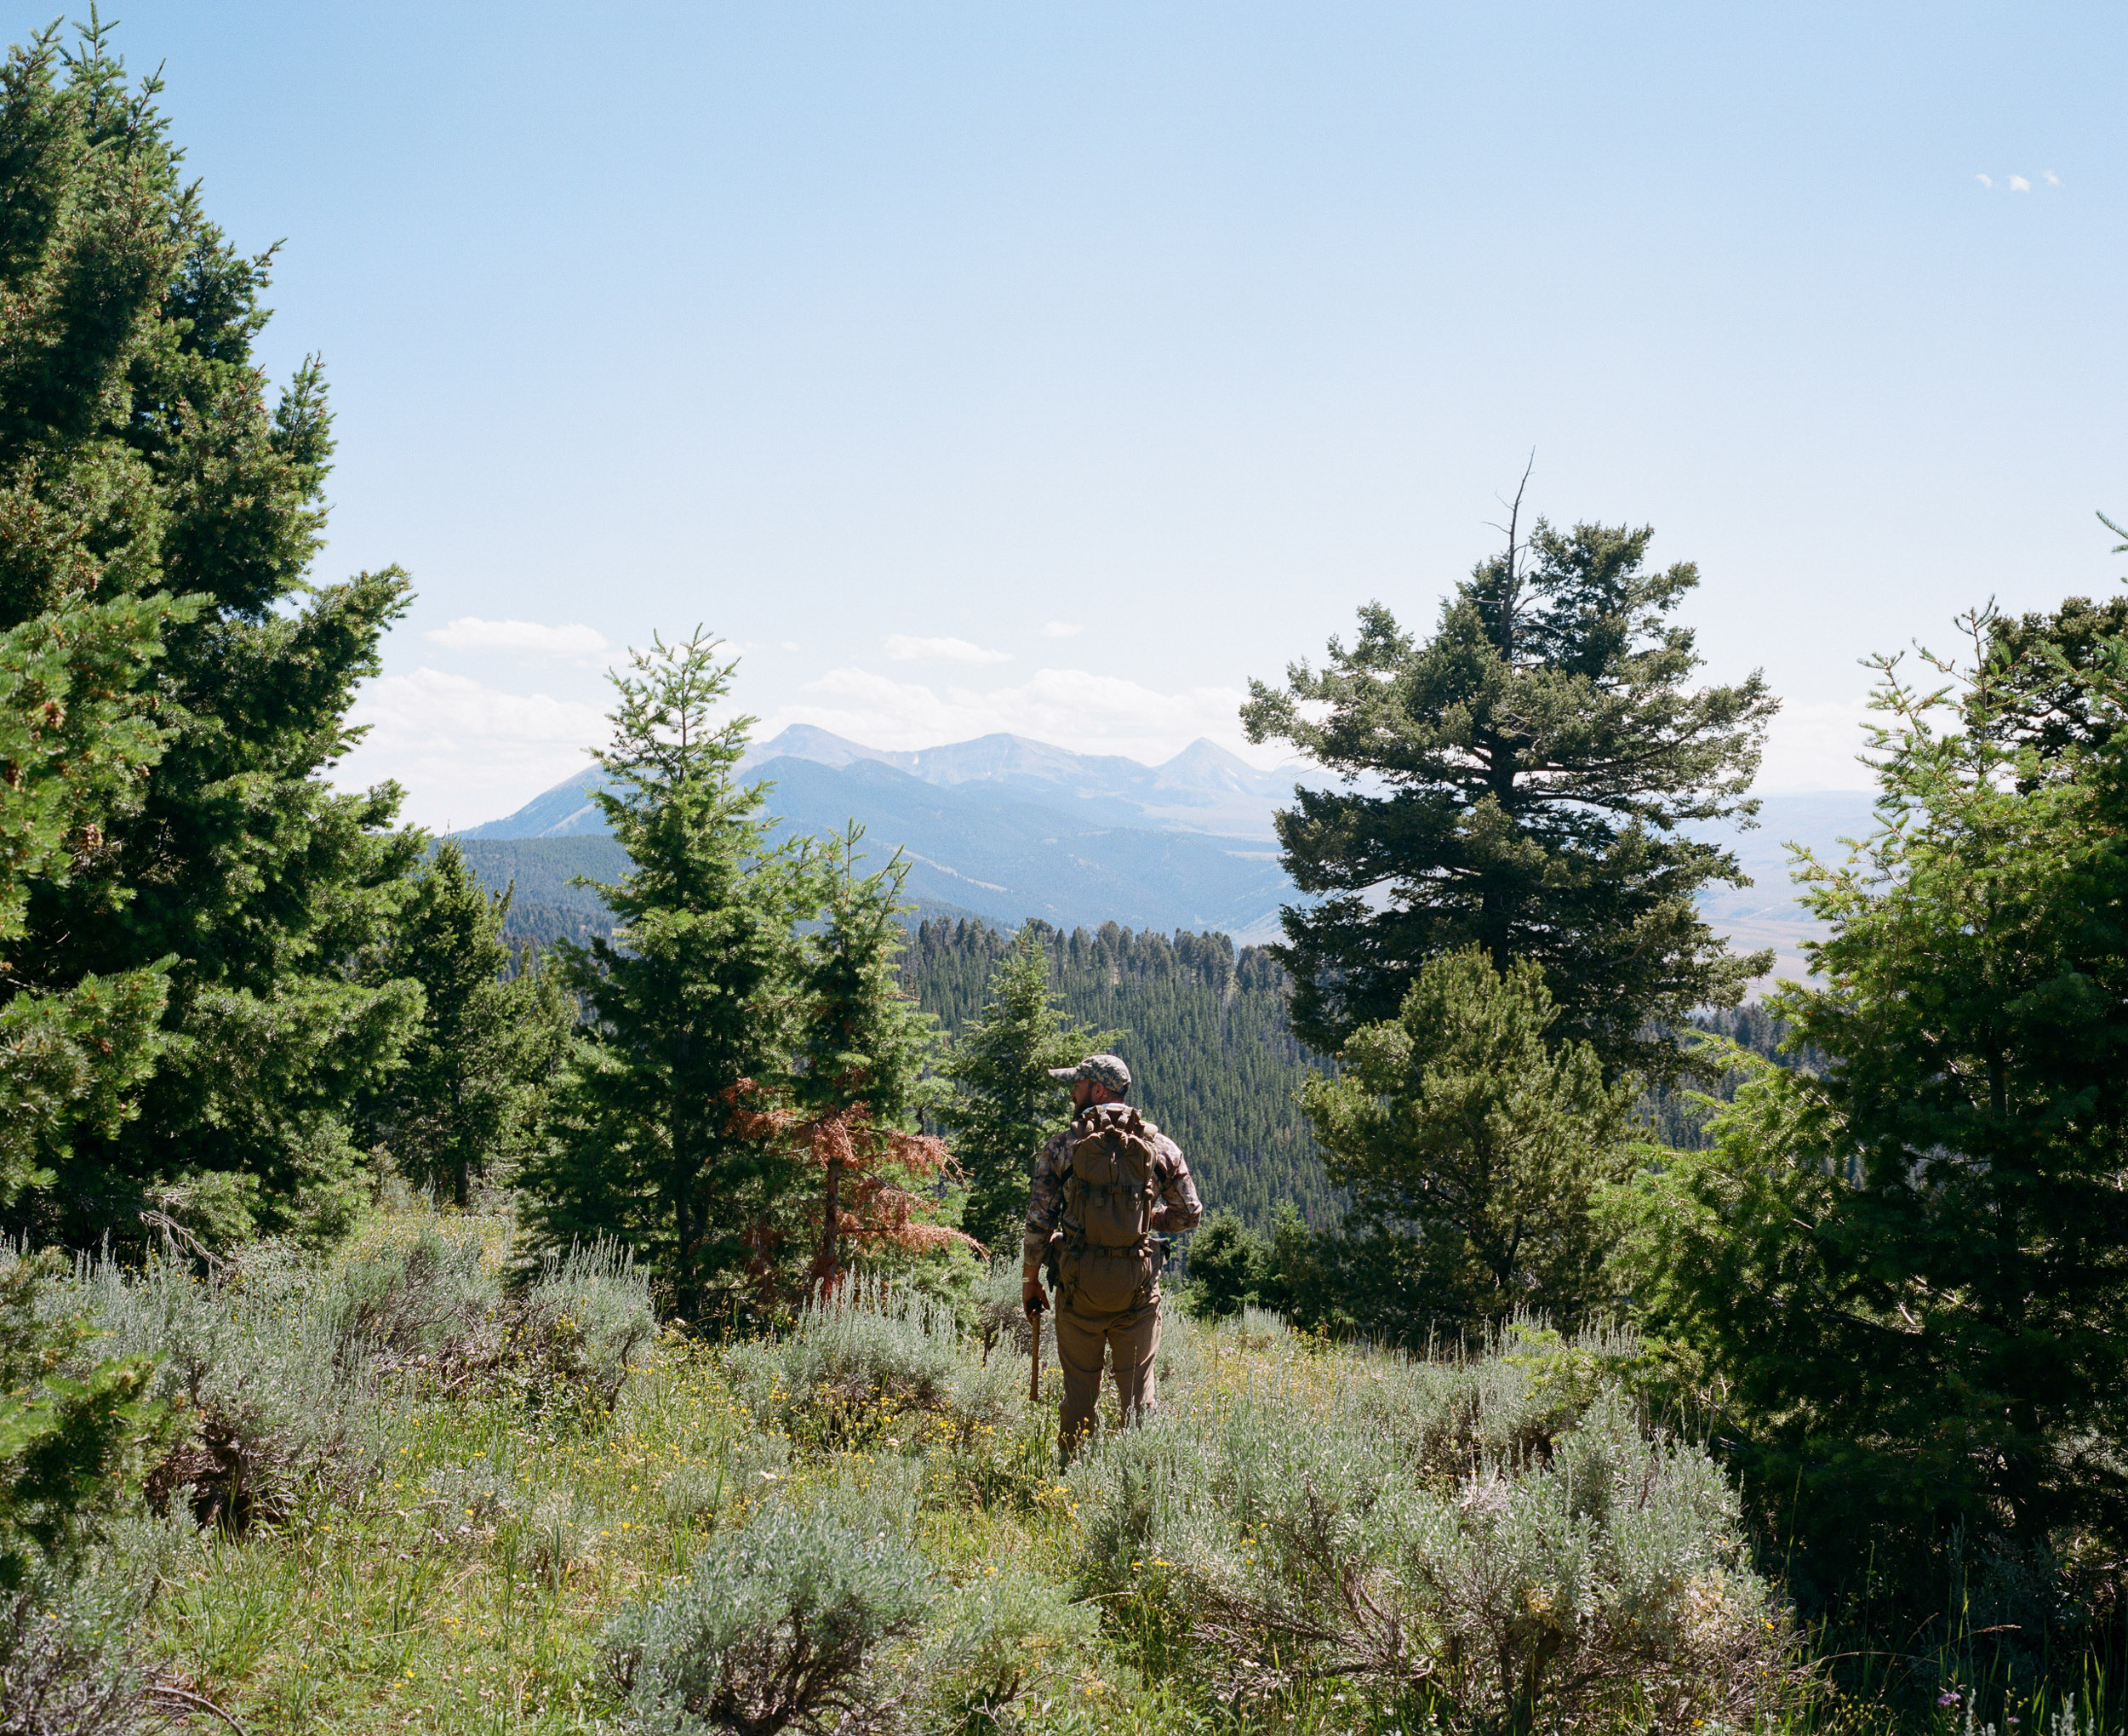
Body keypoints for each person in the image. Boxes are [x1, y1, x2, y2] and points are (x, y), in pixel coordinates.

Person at [1021, 1054, 1201, 1459]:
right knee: (1139, 1398)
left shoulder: (1062, 1145)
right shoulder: (1159, 1144)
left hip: (1078, 1287)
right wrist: (1142, 1217)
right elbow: (1190, 1214)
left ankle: (1072, 1475)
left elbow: (1038, 1221)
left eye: (1078, 1084)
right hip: (1135, 1294)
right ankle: (1142, 1482)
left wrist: (1030, 1281)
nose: (1073, 1091)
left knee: (1080, 1396)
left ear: (1097, 1090)